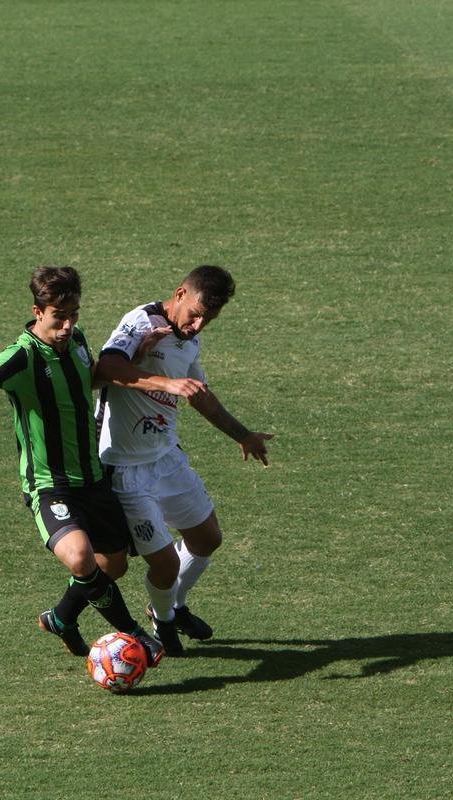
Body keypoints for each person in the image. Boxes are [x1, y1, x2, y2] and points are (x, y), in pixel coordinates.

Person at [0, 266, 164, 667]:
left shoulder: (79, 341)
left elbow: (86, 381)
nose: (68, 326)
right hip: (51, 484)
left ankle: (62, 617)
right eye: (59, 317)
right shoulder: (23, 355)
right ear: (38, 311)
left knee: (112, 566)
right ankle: (134, 634)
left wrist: (138, 354)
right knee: (82, 559)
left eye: (75, 316)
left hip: (93, 477)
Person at [95, 265, 274, 656]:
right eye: (194, 314)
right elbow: (105, 368)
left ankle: (169, 608)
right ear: (179, 294)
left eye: (207, 321)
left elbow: (199, 394)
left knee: (207, 538)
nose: (196, 326)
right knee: (154, 565)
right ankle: (162, 624)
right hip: (124, 467)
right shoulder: (140, 321)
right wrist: (165, 383)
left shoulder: (189, 343)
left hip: (166, 457)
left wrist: (241, 434)